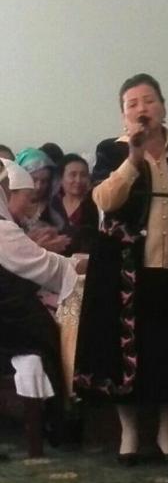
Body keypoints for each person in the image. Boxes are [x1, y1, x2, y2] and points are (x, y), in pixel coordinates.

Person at [73, 73, 168, 466]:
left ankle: (167, 433)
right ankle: (130, 433)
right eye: (132, 104)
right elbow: (105, 200)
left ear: (164, 107)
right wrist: (134, 158)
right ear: (123, 115)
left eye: (149, 100)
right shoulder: (111, 150)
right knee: (125, 352)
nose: (142, 109)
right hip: (120, 268)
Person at [0, 159, 80, 442]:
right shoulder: (3, 230)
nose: (29, 205)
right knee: (49, 335)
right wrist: (77, 265)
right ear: (7, 193)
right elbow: (45, 268)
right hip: (9, 323)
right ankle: (57, 421)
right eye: (26, 197)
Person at [49, 153, 99, 256]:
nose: (78, 180)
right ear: (61, 178)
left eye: (83, 175)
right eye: (73, 175)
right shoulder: (52, 205)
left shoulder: (95, 205)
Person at [15, 147, 66, 232]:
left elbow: (65, 232)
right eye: (33, 180)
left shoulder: (54, 205)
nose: (38, 186)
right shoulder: (6, 205)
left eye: (44, 181)